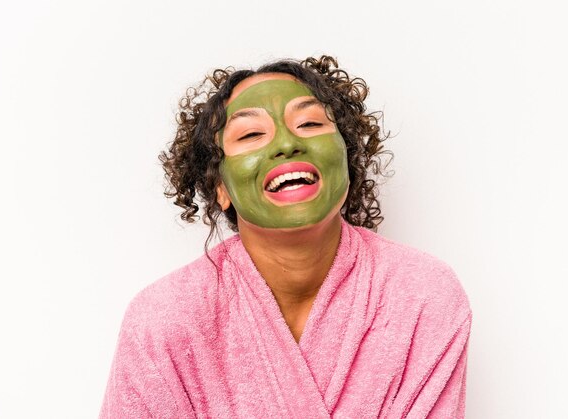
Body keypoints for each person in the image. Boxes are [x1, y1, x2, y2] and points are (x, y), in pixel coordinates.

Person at [100, 55, 472, 418]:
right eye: (250, 133)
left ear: (347, 158)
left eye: (309, 124)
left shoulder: (422, 294)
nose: (285, 144)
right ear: (220, 187)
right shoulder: (164, 320)